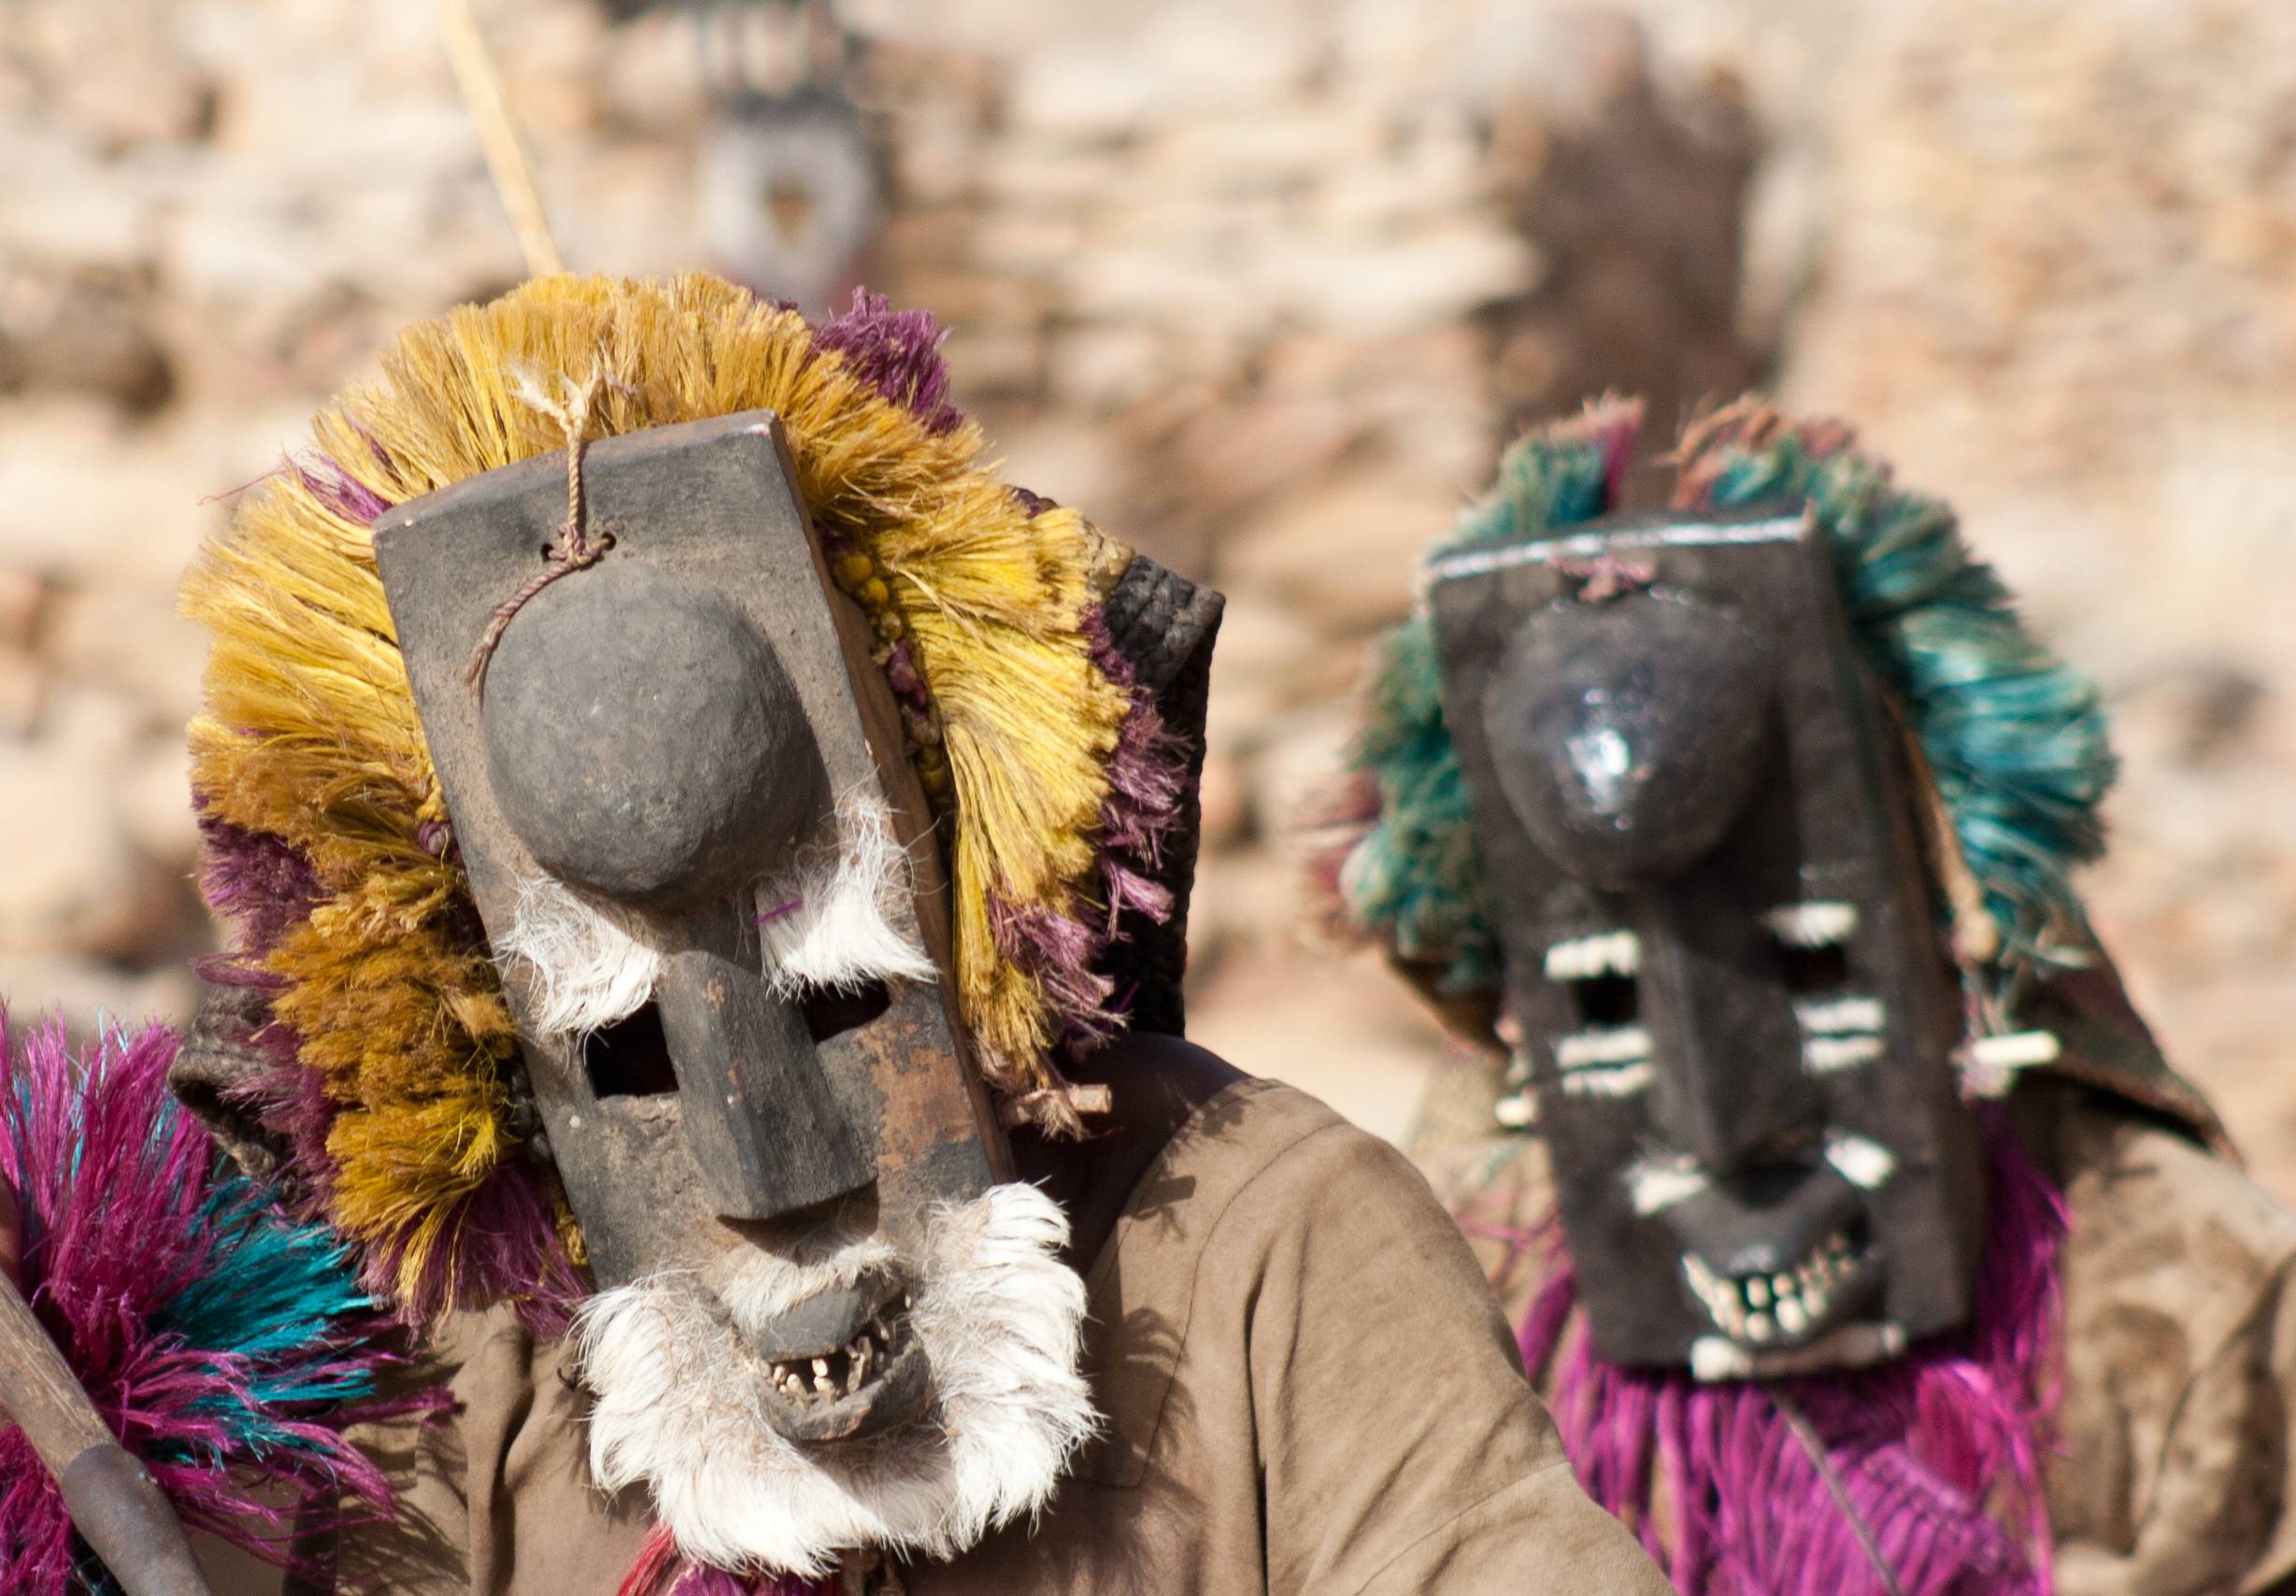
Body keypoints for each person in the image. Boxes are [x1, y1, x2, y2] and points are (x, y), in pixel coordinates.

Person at [167, 273, 1676, 1596]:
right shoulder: (466, 1370)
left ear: (981, 920)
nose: (780, 1179)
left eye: (841, 1002)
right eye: (627, 1052)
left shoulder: (1269, 1247)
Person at [1319, 396, 2296, 1596]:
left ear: (1959, 938)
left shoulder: (2191, 1298)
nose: (1727, 1130)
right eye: (1608, 1003)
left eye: (1817, 973)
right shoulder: (1458, 1311)